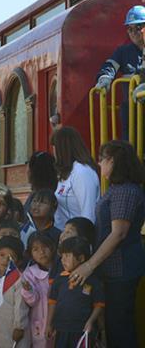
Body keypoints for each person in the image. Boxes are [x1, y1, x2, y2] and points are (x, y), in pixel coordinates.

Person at [69, 140, 145, 347]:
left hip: (121, 269)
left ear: (112, 161)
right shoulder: (118, 189)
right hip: (113, 269)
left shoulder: (125, 191)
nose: (99, 164)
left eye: (102, 159)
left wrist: (89, 265)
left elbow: (118, 233)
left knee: (120, 329)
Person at [95, 5, 145, 139]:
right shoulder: (123, 52)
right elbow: (110, 65)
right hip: (132, 113)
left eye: (138, 27)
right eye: (130, 29)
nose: (134, 32)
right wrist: (104, 78)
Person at [47, 237, 105, 347]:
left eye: (67, 256)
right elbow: (52, 302)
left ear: (81, 258)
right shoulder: (59, 279)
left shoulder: (93, 280)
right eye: (62, 256)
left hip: (83, 329)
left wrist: (91, 321)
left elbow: (99, 304)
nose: (63, 260)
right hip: (61, 328)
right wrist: (49, 324)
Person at [51, 126, 99, 230]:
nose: (53, 152)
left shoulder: (82, 172)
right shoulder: (66, 172)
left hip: (77, 239)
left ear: (63, 148)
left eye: (54, 147)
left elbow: (88, 214)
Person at [0, 236, 29, 348]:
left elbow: (20, 305)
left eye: (12, 257)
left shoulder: (19, 279)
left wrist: (19, 326)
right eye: (2, 255)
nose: (6, 260)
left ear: (19, 261)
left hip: (12, 329)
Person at [21, 233, 55, 348]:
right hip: (39, 321)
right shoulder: (29, 273)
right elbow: (32, 301)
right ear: (30, 254)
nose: (41, 252)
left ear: (52, 247)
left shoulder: (60, 268)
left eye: (44, 247)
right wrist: (28, 290)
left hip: (59, 318)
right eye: (36, 249)